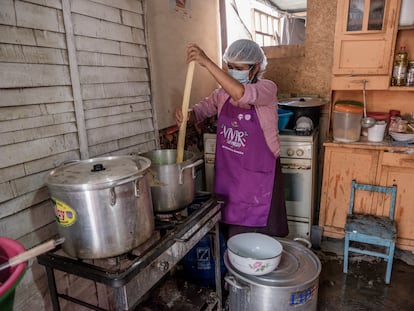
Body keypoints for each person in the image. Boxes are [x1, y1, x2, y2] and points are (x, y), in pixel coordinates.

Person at [175, 39, 288, 239]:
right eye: (230, 67)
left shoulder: (267, 88)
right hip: (230, 177)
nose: (233, 71)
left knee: (260, 237)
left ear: (255, 68)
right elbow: (201, 111)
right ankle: (236, 267)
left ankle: (258, 268)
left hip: (259, 178)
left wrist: (206, 62)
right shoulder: (221, 95)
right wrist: (188, 114)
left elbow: (241, 94)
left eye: (239, 68)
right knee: (234, 235)